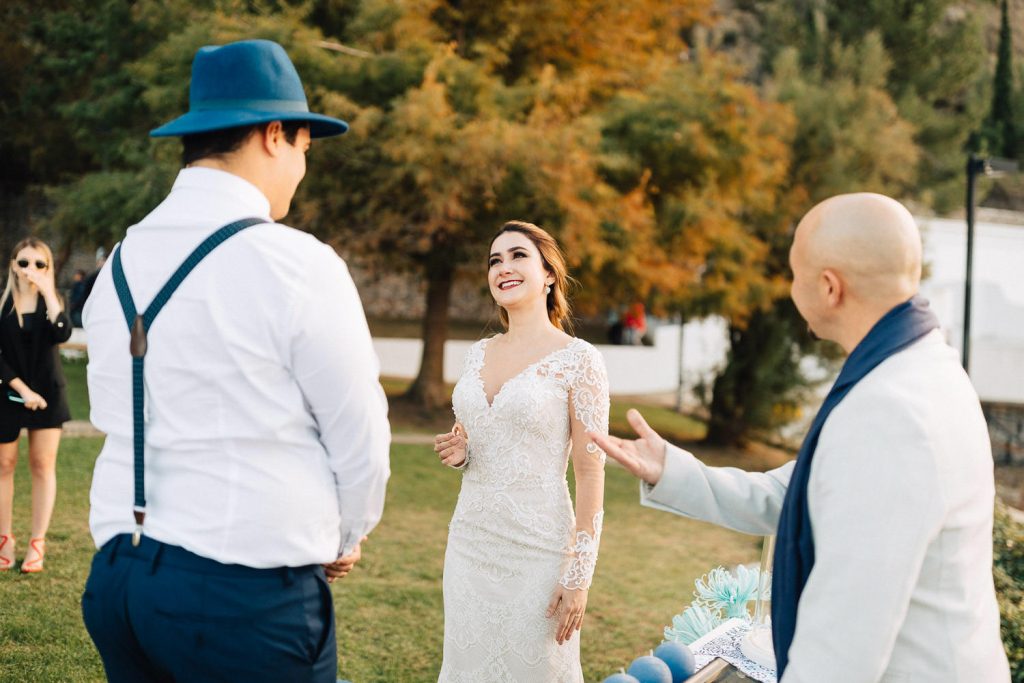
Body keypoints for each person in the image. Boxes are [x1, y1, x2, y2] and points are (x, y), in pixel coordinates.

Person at [591, 193, 1010, 682]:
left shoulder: (891, 411)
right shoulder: (920, 367)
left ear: (829, 287)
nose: (790, 290)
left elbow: (841, 649)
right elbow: (797, 495)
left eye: (795, 273)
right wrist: (673, 471)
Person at [80, 39, 391, 683]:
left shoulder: (118, 264)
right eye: (305, 148)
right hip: (240, 600)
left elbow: (117, 407)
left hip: (119, 581)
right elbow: (360, 437)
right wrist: (344, 536)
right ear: (275, 135)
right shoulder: (297, 264)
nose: (303, 168)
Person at [434, 220, 610, 682]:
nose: (503, 268)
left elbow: (591, 476)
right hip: (471, 542)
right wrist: (463, 451)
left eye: (517, 256)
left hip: (539, 550)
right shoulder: (479, 353)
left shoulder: (579, 359)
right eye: (495, 260)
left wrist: (579, 574)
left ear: (549, 274)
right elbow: (482, 437)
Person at [0, 237, 72, 573]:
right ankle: (4, 541)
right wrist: (23, 390)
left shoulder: (52, 303)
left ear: (49, 268)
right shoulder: (3, 306)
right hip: (9, 392)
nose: (31, 269)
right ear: (13, 264)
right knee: (4, 465)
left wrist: (47, 293)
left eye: (39, 263)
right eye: (24, 262)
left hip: (48, 394)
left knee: (43, 465)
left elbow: (62, 334)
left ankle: (37, 544)